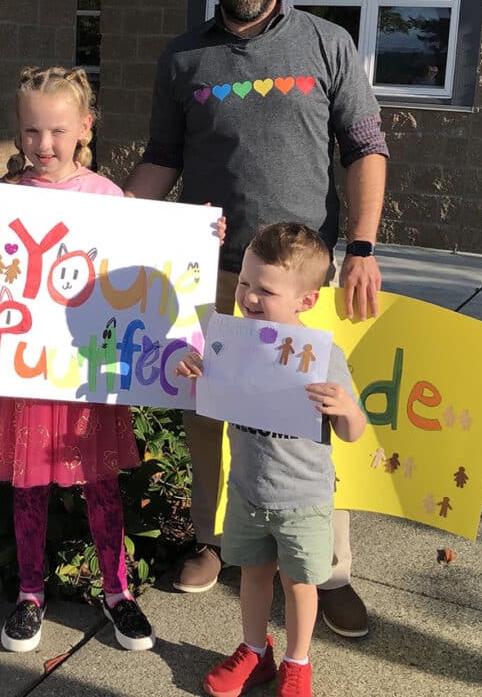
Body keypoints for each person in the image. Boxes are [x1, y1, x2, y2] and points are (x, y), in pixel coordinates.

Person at [123, 0, 388, 638]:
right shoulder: (183, 59)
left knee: (313, 418)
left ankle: (327, 569)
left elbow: (367, 149)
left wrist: (362, 247)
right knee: (208, 412)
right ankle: (215, 543)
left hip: (304, 279)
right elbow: (162, 161)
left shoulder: (329, 45)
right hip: (213, 273)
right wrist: (101, 216)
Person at [0, 66, 156, 653]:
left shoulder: (108, 197)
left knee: (102, 485)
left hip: (87, 379)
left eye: (58, 131)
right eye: (31, 131)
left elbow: (148, 265)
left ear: (86, 127)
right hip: (27, 376)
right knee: (28, 488)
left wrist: (198, 240)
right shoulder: (4, 198)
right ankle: (30, 594)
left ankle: (118, 592)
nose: (43, 145)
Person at [176, 223, 367, 697]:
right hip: (246, 490)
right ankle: (254, 650)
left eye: (266, 289)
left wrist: (346, 409)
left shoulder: (322, 356)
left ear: (306, 300)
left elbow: (353, 431)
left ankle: (297, 662)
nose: (249, 297)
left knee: (300, 584)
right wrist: (197, 371)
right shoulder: (233, 342)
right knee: (254, 576)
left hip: (303, 498)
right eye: (244, 283)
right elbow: (213, 397)